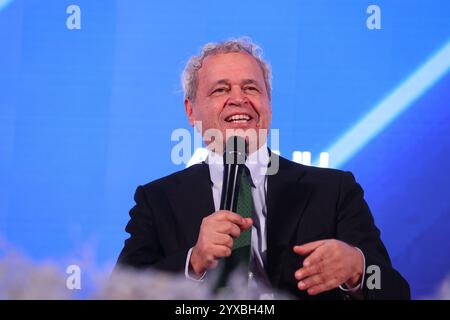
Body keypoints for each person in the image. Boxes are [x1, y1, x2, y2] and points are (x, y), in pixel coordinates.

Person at [117, 38, 410, 299]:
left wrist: (358, 268)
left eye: (251, 87)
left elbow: (397, 292)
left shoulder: (334, 190)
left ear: (268, 103)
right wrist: (193, 262)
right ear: (191, 110)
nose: (238, 99)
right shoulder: (157, 200)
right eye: (220, 89)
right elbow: (120, 295)